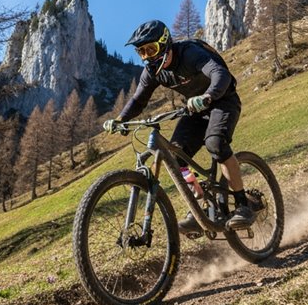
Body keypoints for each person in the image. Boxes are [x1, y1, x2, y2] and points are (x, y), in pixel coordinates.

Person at [103, 20, 255, 232]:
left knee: (216, 143)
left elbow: (220, 74)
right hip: (195, 110)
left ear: (165, 44)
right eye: (142, 52)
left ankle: (242, 206)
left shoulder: (190, 54)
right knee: (176, 158)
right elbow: (139, 100)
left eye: (151, 49)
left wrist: (208, 96)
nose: (147, 57)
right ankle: (200, 207)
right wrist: (120, 119)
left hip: (223, 100)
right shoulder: (153, 72)